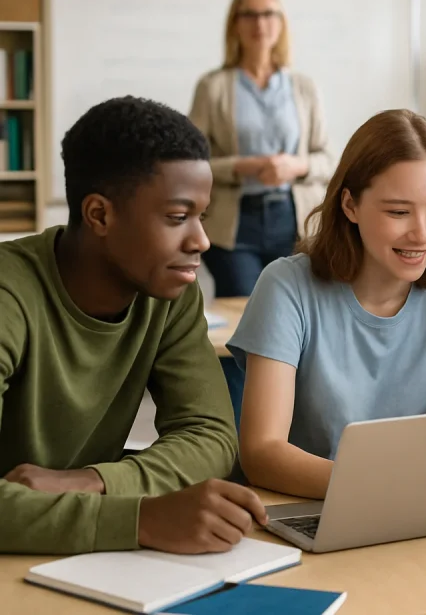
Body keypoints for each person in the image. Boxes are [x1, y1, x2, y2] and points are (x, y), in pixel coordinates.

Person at [0, 96, 266, 555]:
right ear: (99, 215)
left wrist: (96, 481)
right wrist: (141, 518)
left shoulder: (170, 294)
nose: (201, 240)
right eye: (177, 218)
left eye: (201, 216)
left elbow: (211, 435)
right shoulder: (9, 296)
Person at [228, 109, 426, 500]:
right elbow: (262, 454)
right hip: (300, 504)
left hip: (395, 505)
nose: (422, 233)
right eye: (399, 212)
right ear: (350, 205)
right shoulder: (286, 286)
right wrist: (382, 488)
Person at [189, 0, 335, 296]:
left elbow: (327, 159)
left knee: (296, 317)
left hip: (294, 222)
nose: (260, 23)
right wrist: (241, 166)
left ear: (281, 23)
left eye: (269, 14)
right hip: (233, 225)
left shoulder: (304, 87)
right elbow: (190, 164)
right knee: (245, 318)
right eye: (249, 15)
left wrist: (295, 166)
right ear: (235, 24)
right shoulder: (212, 87)